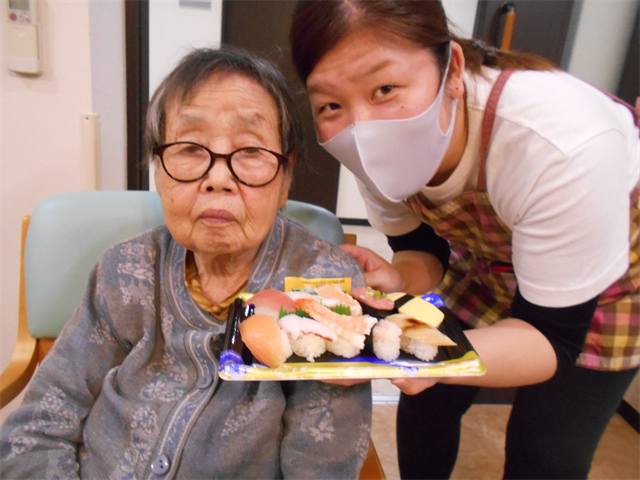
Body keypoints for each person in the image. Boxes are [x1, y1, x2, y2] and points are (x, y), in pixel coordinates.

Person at [289, 1, 640, 479]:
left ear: (452, 70)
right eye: (330, 104)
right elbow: (425, 251)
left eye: (385, 88)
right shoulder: (368, 147)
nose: (360, 127)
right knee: (429, 398)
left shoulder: (557, 142)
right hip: (487, 258)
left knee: (546, 451)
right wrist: (398, 278)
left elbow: (551, 339)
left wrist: (436, 360)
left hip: (603, 282)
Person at [0, 47, 372, 479]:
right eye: (190, 148)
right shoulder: (125, 270)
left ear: (285, 176)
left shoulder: (324, 287)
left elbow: (322, 463)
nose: (218, 178)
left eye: (250, 149)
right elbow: (42, 422)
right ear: (158, 170)